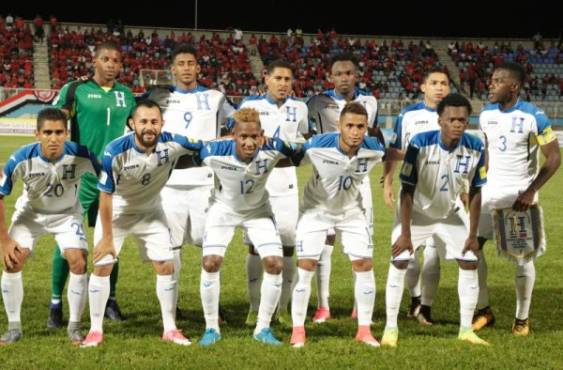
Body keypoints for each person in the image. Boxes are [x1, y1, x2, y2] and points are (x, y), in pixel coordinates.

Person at [80, 100, 198, 348]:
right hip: (117, 212)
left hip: (151, 212)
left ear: (162, 124)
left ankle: (170, 328)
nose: (149, 127)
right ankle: (95, 330)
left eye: (154, 121)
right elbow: (105, 195)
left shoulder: (174, 142)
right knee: (103, 265)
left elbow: (206, 147)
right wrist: (107, 237)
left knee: (166, 266)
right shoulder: (115, 151)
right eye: (143, 121)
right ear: (132, 124)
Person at [380, 93, 488, 347]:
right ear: (440, 121)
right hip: (415, 212)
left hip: (449, 213)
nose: (458, 125)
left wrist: (472, 234)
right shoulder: (419, 143)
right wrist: (405, 233)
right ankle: (390, 329)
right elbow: (406, 190)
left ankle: (465, 330)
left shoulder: (476, 146)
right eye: (452, 120)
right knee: (399, 260)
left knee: (470, 261)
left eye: (462, 120)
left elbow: (475, 191)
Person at [142, 44, 234, 318]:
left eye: (190, 63)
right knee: (171, 247)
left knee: (210, 246)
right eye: (180, 63)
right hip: (168, 184)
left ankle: (211, 307)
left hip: (205, 182)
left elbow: (236, 123)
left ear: (197, 67)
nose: (186, 68)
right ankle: (171, 309)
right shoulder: (157, 97)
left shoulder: (215, 97)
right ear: (172, 68)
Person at [290, 102, 388, 348]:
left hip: (351, 211)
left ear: (367, 128)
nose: (355, 132)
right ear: (339, 126)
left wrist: (387, 180)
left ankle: (364, 330)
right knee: (306, 266)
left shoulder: (374, 149)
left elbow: (394, 154)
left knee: (364, 264)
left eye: (360, 127)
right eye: (350, 126)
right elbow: (290, 157)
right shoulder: (317, 146)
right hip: (315, 211)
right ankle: (298, 330)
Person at [51, 41, 135, 327]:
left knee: (111, 239)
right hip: (80, 177)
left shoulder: (127, 95)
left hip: (113, 178)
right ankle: (55, 303)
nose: (111, 64)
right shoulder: (75, 90)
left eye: (116, 60)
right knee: (68, 239)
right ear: (94, 61)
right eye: (106, 59)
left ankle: (110, 301)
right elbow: (54, 123)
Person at [473, 62, 560, 336]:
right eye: (491, 79)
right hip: (489, 194)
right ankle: (484, 310)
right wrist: (478, 183)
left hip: (518, 196)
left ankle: (521, 320)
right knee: (472, 248)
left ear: (513, 86)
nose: (491, 84)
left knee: (522, 258)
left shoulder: (534, 116)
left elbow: (554, 157)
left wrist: (531, 190)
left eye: (498, 80)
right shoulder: (486, 114)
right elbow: (486, 152)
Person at [0, 108, 99, 344]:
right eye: (47, 132)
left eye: (58, 132)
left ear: (66, 133)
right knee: (13, 261)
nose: (53, 138)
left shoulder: (82, 155)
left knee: (78, 260)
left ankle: (74, 326)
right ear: (37, 134)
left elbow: (108, 182)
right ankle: (14, 327)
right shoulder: (20, 158)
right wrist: (4, 241)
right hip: (30, 215)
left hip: (67, 215)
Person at [197, 108, 293, 346]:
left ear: (262, 135)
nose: (249, 143)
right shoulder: (214, 151)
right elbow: (194, 151)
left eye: (254, 137)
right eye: (243, 137)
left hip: (258, 211)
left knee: (274, 264)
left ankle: (263, 328)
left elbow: (298, 152)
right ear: (233, 136)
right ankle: (211, 328)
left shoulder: (274, 149)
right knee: (210, 262)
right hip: (223, 210)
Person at [306, 53, 379, 322]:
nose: (344, 78)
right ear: (331, 77)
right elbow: (307, 136)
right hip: (326, 181)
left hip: (360, 180)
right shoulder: (316, 102)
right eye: (339, 73)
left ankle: (360, 306)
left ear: (356, 75)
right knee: (324, 242)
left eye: (349, 73)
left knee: (362, 241)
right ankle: (323, 305)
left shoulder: (370, 101)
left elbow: (375, 136)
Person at [238, 59, 309, 327]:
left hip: (286, 181)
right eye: (278, 78)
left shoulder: (299, 108)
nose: (283, 84)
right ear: (266, 78)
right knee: (256, 247)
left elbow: (303, 141)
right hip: (258, 182)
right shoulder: (250, 107)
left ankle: (281, 307)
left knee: (289, 246)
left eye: (287, 80)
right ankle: (254, 307)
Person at [383, 68, 451, 325]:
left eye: (444, 83)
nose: (439, 87)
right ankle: (414, 297)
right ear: (423, 87)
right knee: (407, 249)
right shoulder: (409, 115)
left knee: (434, 254)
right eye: (434, 83)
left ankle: (427, 307)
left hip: (444, 193)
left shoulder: (453, 115)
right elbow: (395, 149)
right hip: (411, 191)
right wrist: (387, 181)